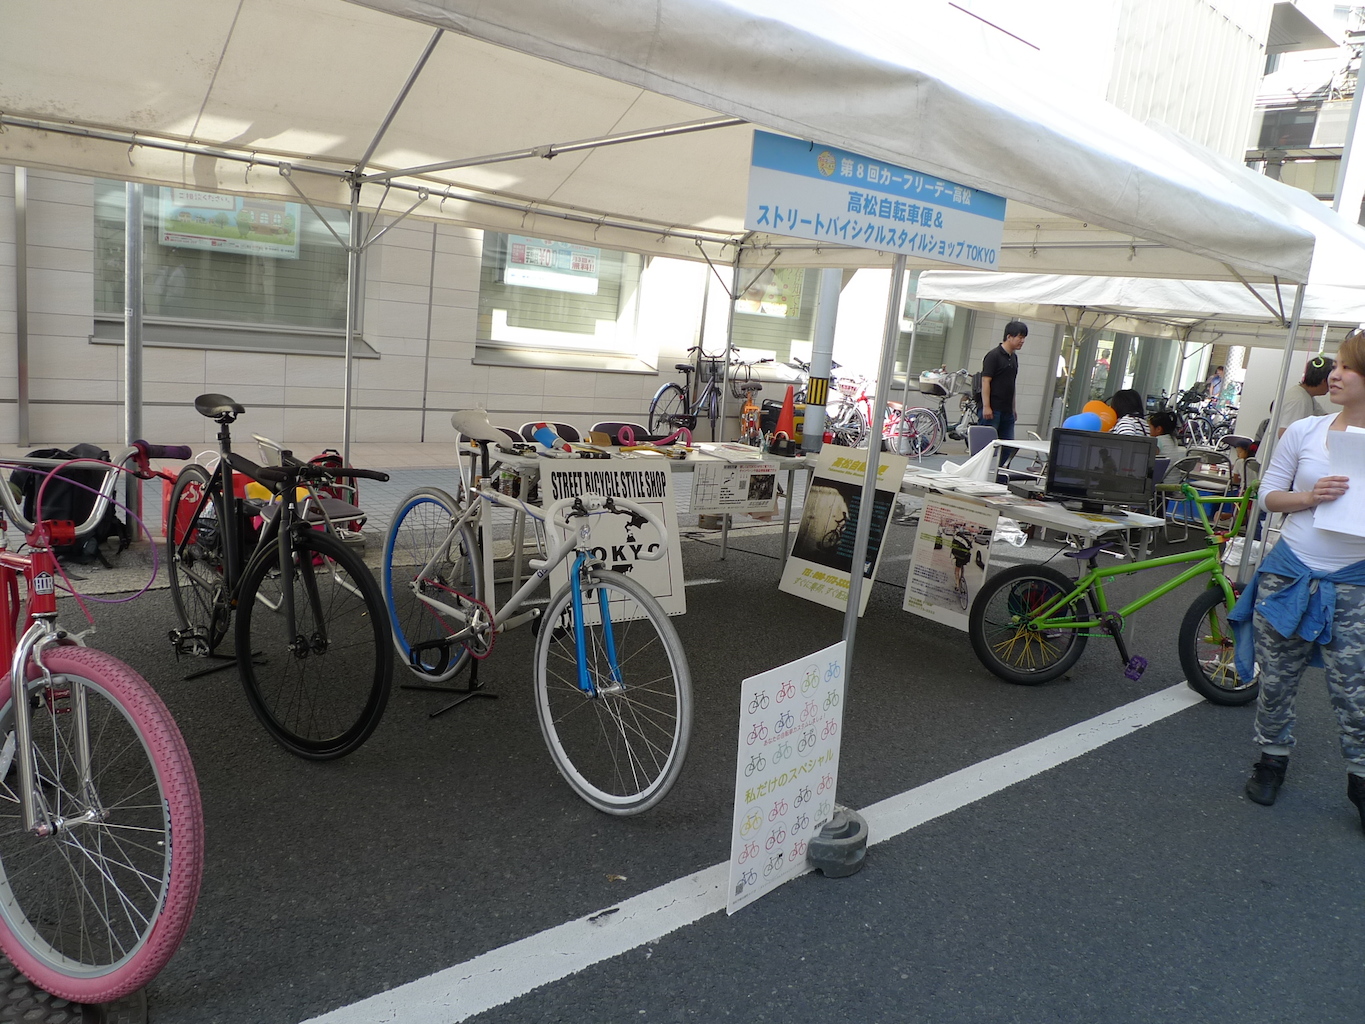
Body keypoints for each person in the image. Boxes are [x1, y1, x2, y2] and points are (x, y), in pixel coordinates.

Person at [1229, 328, 1365, 834]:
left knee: (1355, 692)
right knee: (1277, 679)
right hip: (1289, 571)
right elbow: (1268, 495)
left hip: (1355, 580)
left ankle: (1361, 779)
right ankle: (1271, 760)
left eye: (1348, 367)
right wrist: (1311, 497)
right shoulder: (1305, 431)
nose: (1334, 374)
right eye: (1337, 365)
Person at [981, 320, 1027, 442]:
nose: (1022, 341)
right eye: (1020, 337)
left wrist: (1013, 408)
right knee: (988, 445)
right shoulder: (993, 355)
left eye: (1024, 338)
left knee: (1008, 446)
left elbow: (1011, 384)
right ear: (1009, 337)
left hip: (1007, 410)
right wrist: (986, 406)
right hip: (993, 409)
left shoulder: (1014, 358)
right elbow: (985, 381)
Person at [1273, 354, 1334, 439]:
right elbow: (1284, 433)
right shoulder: (1298, 399)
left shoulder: (1306, 395)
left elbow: (1325, 418)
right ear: (1324, 381)